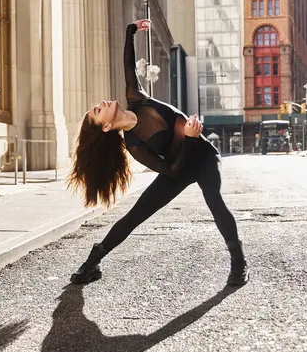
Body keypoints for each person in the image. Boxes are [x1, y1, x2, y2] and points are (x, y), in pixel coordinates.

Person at [67, 20, 249, 287]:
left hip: (204, 156)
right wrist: (187, 137)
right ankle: (92, 262)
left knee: (214, 198)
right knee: (135, 214)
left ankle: (238, 262)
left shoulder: (137, 97)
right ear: (106, 126)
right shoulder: (134, 144)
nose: (101, 103)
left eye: (96, 105)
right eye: (98, 110)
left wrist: (130, 31)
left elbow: (128, 65)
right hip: (178, 166)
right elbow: (172, 170)